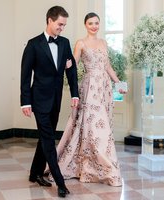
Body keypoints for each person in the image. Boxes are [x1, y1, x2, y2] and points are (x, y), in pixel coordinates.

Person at [47, 12, 126, 187]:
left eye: (97, 23)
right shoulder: (80, 43)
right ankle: (107, 170)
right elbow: (73, 65)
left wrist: (119, 83)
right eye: (91, 23)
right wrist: (64, 65)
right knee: (95, 127)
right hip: (90, 88)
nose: (94, 26)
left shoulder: (103, 43)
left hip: (103, 88)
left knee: (100, 126)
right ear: (85, 25)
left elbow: (107, 66)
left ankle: (96, 167)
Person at [20, 6, 79, 198]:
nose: (62, 28)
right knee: (49, 139)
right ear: (49, 20)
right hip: (39, 100)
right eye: (60, 24)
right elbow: (25, 75)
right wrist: (25, 102)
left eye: (64, 25)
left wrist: (75, 94)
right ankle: (60, 182)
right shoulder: (33, 44)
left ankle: (34, 173)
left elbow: (71, 71)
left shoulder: (64, 43)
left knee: (46, 137)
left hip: (56, 99)